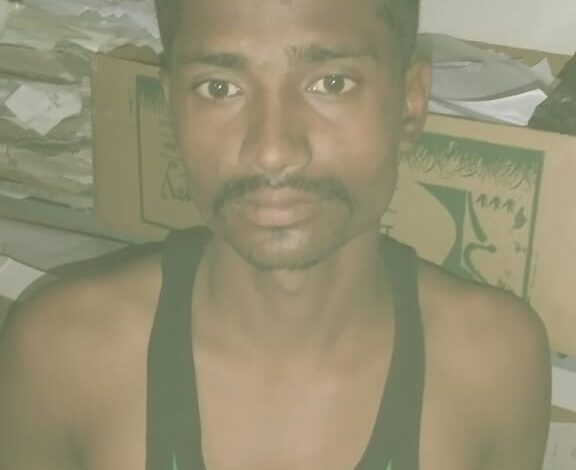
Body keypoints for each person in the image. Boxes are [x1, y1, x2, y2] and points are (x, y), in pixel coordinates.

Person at [0, 0, 551, 468]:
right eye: (220, 87)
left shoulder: (495, 363)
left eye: (330, 83)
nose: (271, 149)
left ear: (410, 102)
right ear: (171, 107)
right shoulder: (62, 355)